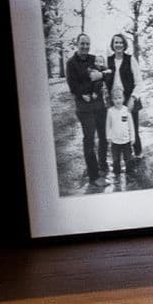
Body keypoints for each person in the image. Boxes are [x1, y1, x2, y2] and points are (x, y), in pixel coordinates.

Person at [63, 35, 108, 187]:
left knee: (103, 137)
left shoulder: (94, 59)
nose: (85, 46)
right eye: (82, 43)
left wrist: (100, 76)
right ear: (77, 44)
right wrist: (86, 90)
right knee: (89, 140)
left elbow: (105, 76)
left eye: (87, 44)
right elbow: (73, 85)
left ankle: (102, 166)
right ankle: (94, 176)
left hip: (100, 105)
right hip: (84, 108)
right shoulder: (71, 63)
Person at [104, 31, 142, 188]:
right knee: (117, 127)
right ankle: (120, 156)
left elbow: (139, 81)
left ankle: (137, 155)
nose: (118, 45)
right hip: (115, 101)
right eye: (115, 42)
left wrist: (133, 98)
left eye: (120, 42)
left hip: (129, 99)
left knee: (131, 127)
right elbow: (105, 79)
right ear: (112, 45)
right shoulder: (109, 60)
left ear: (124, 44)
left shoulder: (130, 59)